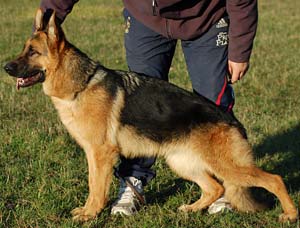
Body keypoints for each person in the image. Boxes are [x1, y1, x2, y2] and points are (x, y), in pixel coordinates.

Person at [38, 0, 258, 216]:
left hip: (206, 16)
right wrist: (45, 23)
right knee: (139, 108)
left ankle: (225, 184)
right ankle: (134, 180)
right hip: (145, 17)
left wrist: (239, 49)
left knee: (212, 102)